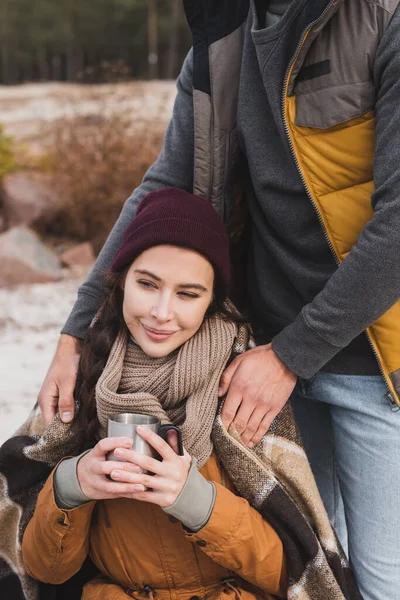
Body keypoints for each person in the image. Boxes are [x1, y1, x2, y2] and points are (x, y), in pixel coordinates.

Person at [37, 1, 400, 598]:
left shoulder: (383, 19)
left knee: (384, 580)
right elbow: (164, 184)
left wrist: (290, 356)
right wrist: (75, 332)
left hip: (374, 364)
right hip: (260, 355)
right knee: (310, 575)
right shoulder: (221, 36)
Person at [20, 188, 358, 600]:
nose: (162, 313)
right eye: (147, 284)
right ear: (121, 281)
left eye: (188, 293)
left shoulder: (242, 390)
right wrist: (72, 485)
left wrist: (195, 502)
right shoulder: (80, 379)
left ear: (212, 300)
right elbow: (45, 572)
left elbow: (295, 573)